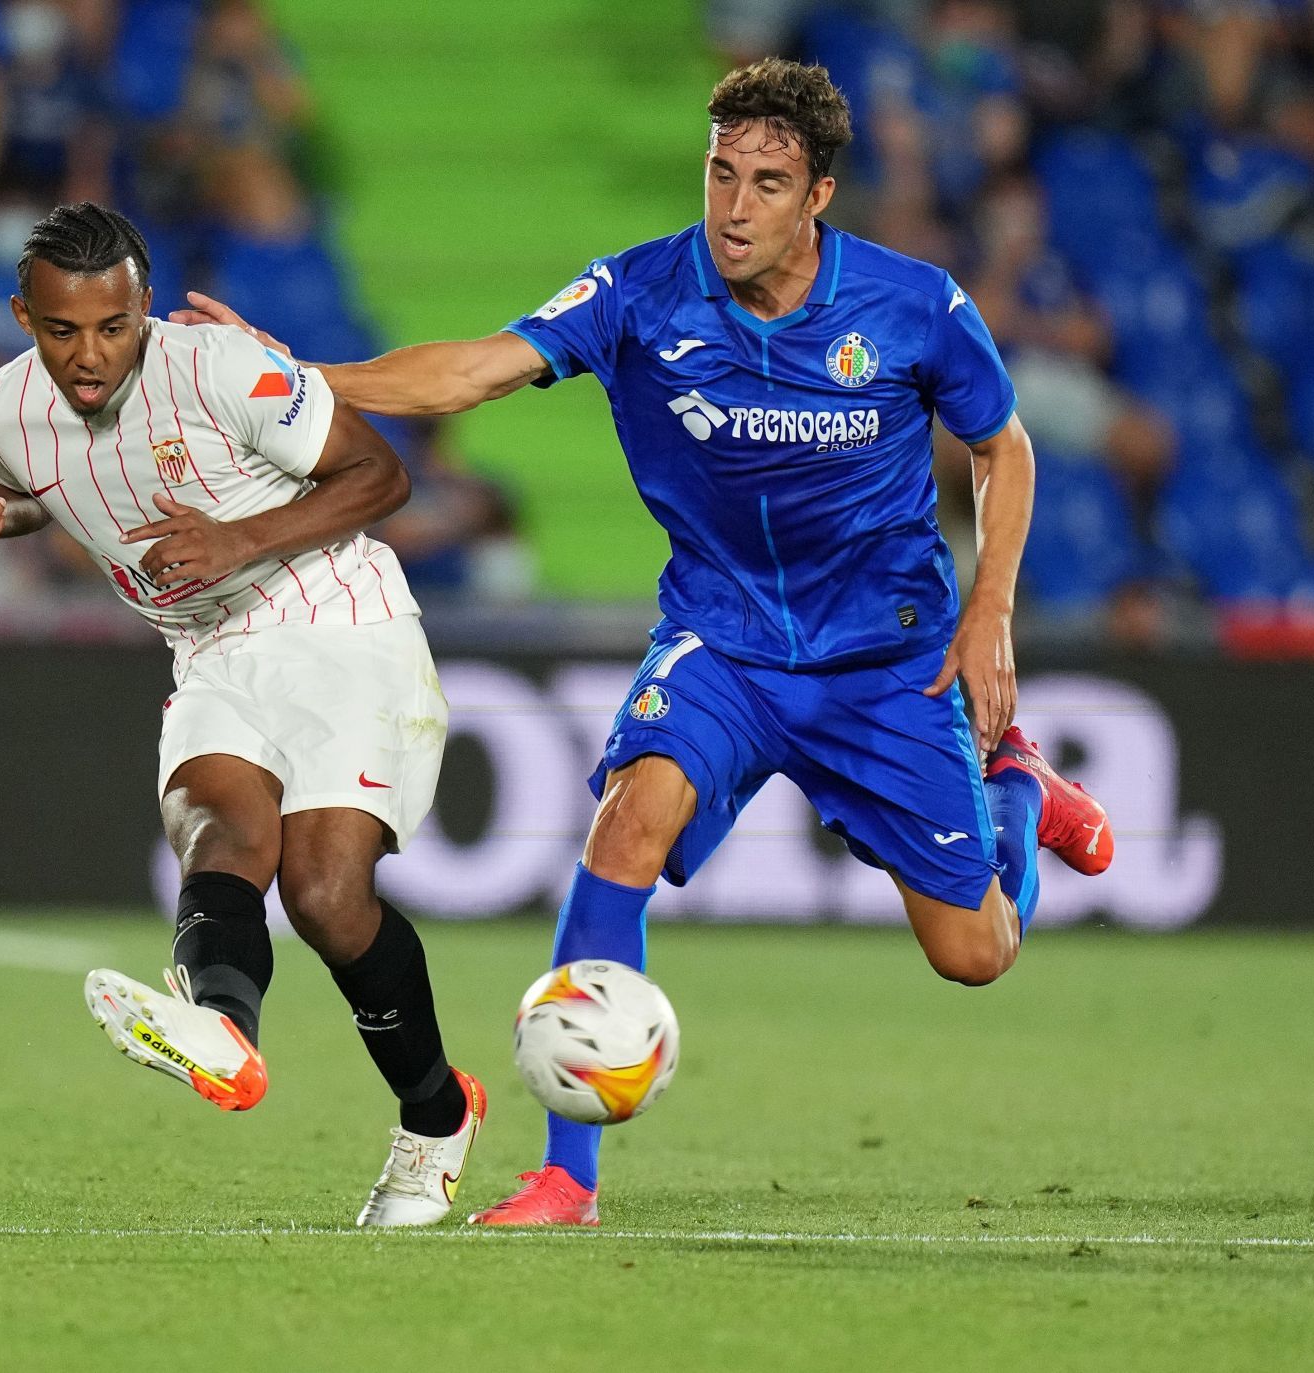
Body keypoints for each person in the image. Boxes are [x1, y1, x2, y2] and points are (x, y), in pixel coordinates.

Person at [173, 59, 1115, 1226]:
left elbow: (1004, 446)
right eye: (721, 172)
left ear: (819, 195)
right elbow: (473, 371)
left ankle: (1014, 782)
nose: (734, 206)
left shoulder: (916, 305)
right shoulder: (639, 291)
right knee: (626, 821)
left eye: (767, 183)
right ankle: (568, 1175)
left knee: (977, 949)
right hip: (722, 642)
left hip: (887, 655)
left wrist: (991, 614)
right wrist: (290, 377)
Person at [0, 201, 484, 1227]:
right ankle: (223, 1032)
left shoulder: (222, 368)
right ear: (22, 316)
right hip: (209, 646)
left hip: (334, 611)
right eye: (60, 330)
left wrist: (241, 539)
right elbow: (40, 484)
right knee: (218, 826)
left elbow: (381, 473)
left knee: (322, 892)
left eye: (111, 327)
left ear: (144, 307)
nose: (88, 356)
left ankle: (438, 1111)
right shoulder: (0, 412)